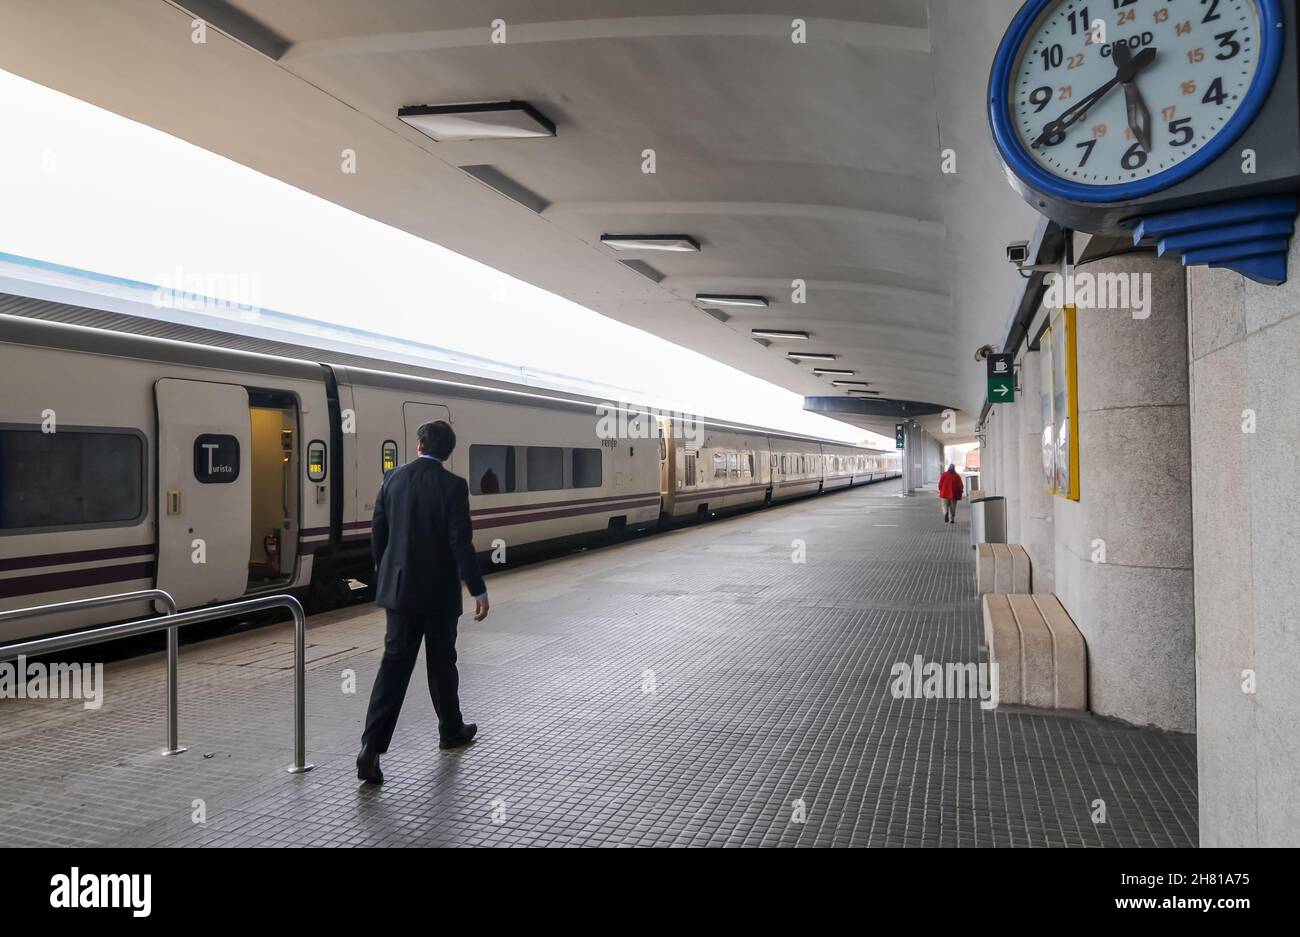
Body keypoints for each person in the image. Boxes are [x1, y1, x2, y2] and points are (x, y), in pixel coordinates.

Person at [356, 420, 489, 785]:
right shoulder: (453, 486)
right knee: (442, 662)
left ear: (419, 445)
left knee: (393, 669)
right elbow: (460, 543)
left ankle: (371, 749)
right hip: (439, 595)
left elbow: (378, 533)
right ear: (447, 453)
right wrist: (477, 589)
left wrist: (386, 572)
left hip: (400, 593)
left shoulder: (392, 479)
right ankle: (450, 730)